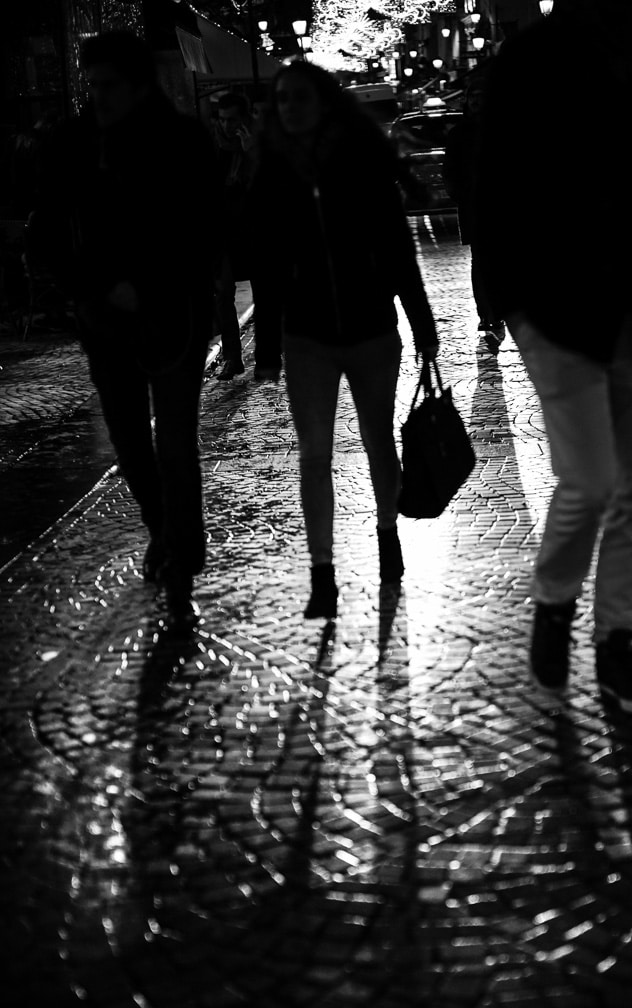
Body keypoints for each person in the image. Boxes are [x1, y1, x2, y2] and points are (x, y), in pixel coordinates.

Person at [473, 0, 632, 714]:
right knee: (589, 479)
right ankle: (554, 604)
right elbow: (495, 183)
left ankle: (617, 645)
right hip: (559, 304)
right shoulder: (533, 59)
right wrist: (512, 298)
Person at [28, 32, 219, 622]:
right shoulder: (75, 143)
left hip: (174, 317)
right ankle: (163, 528)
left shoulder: (184, 140)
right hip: (105, 319)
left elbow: (204, 229)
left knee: (176, 443)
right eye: (91, 84)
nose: (97, 95)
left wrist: (156, 286)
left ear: (137, 85)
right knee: (132, 445)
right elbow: (49, 232)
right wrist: (93, 289)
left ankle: (184, 555)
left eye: (107, 84)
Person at [248, 61, 438, 621]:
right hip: (306, 333)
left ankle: (387, 534)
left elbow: (397, 246)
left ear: (324, 101)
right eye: (282, 99)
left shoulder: (361, 158)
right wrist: (266, 347)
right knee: (314, 455)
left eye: (301, 97)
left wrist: (421, 320)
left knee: (380, 440)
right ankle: (322, 572)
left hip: (370, 325)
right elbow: (266, 264)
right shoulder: (273, 169)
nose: (291, 107)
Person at [443, 68, 505, 352]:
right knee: (480, 263)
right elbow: (451, 172)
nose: (477, 101)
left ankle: (502, 310)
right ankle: (488, 315)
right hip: (475, 208)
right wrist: (462, 194)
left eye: (482, 96)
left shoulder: (503, 128)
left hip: (503, 207)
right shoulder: (459, 133)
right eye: (473, 97)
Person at [212, 91, 256, 380]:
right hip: (222, 234)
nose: (227, 125)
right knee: (223, 294)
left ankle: (271, 349)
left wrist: (250, 151)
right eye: (223, 119)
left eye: (233, 119)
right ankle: (232, 357)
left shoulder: (256, 145)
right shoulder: (213, 148)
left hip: (254, 232)